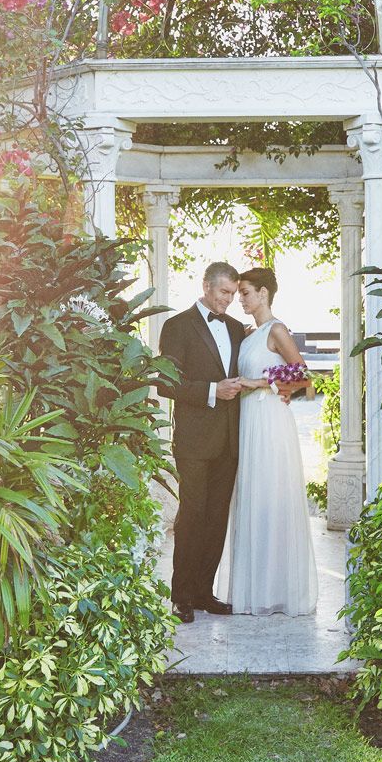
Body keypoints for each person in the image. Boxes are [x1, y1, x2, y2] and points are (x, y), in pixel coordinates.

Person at [213, 266, 319, 617]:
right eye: (237, 293)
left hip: (271, 421)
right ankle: (254, 590)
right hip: (248, 422)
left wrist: (261, 383)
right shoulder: (248, 334)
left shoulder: (276, 329)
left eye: (244, 292)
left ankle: (278, 591)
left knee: (273, 498)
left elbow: (304, 378)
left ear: (264, 294)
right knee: (253, 499)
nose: (239, 298)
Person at [155, 262, 246, 624]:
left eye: (233, 294)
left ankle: (205, 592)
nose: (228, 300)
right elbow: (164, 383)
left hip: (230, 441)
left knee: (216, 517)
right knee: (191, 515)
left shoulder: (238, 329)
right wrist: (212, 391)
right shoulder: (176, 326)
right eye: (224, 292)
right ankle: (181, 596)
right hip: (193, 441)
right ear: (206, 286)